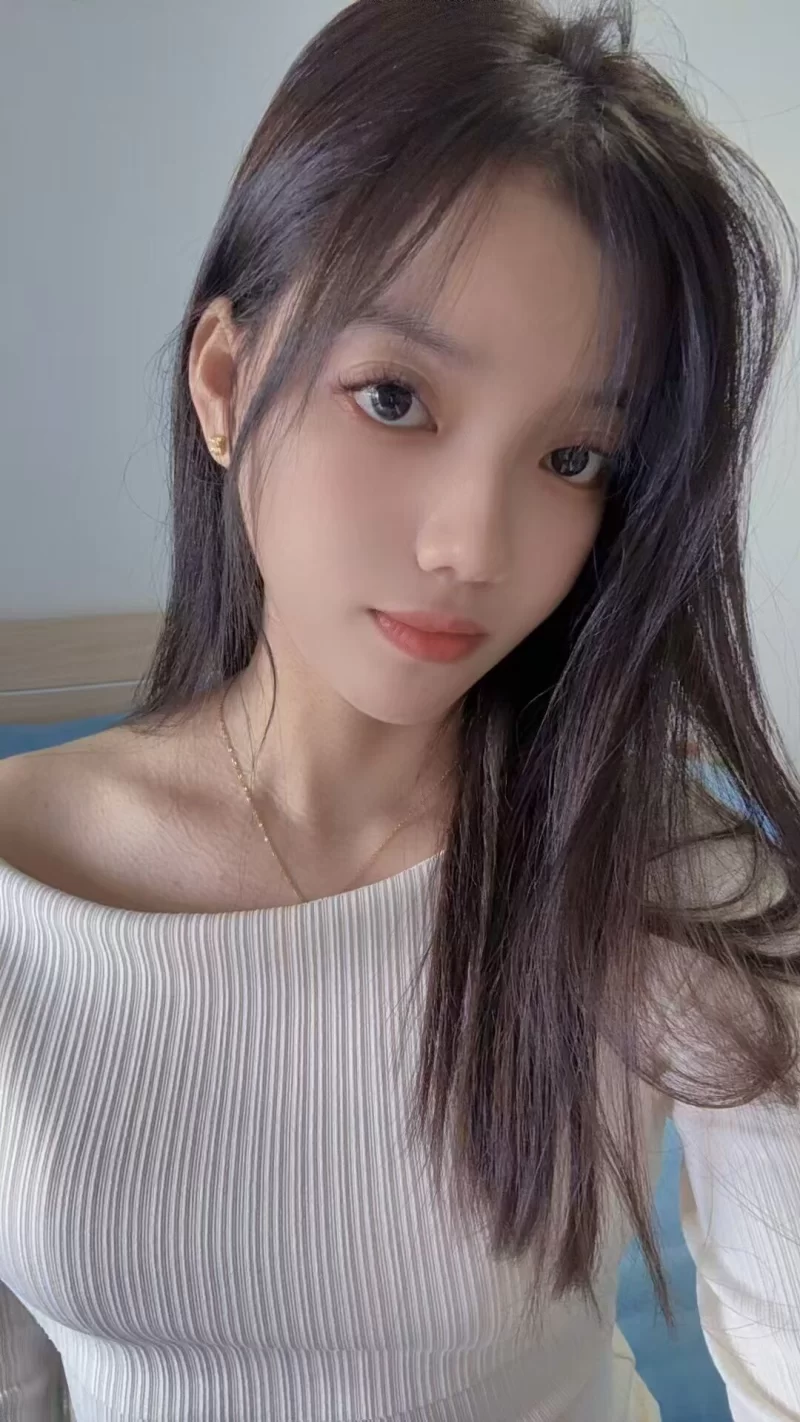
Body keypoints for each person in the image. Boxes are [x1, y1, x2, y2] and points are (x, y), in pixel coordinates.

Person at [1, 0, 799, 1417]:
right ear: (225, 382)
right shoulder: (22, 886)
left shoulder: (668, 884)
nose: (473, 545)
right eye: (393, 398)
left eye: (574, 457)